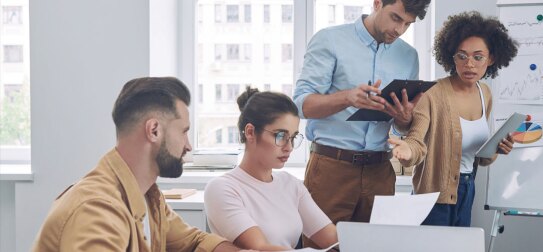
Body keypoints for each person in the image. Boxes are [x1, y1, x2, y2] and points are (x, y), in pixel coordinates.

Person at [32, 77, 245, 251]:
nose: (189, 146)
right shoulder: (97, 210)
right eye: (184, 131)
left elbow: (193, 241)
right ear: (154, 130)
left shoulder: (148, 197)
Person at [292, 0, 431, 246]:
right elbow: (301, 105)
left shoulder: (409, 56)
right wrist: (347, 97)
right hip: (331, 169)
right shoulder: (330, 40)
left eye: (408, 24)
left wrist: (404, 118)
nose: (399, 30)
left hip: (380, 171)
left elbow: (402, 128)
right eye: (396, 18)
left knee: (376, 247)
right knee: (321, 249)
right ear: (377, 3)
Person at [388, 11, 517, 227]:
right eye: (462, 55)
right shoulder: (432, 93)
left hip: (466, 191)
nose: (469, 64)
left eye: (478, 57)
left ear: (491, 58)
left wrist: (497, 147)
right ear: (451, 56)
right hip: (431, 196)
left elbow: (480, 157)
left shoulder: (485, 93)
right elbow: (416, 139)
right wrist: (407, 150)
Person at [205, 87, 337, 251]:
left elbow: (333, 238)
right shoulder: (222, 188)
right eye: (280, 136)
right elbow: (260, 248)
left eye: (293, 137)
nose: (289, 147)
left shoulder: (290, 184)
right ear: (250, 132)